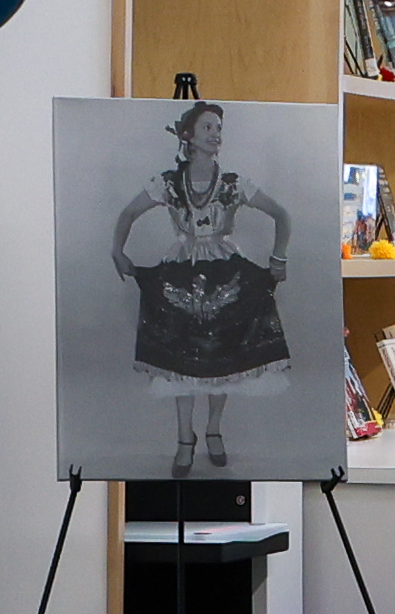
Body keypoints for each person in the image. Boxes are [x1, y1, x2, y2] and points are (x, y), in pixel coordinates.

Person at [113, 99, 294, 475]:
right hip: (181, 269)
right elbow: (129, 213)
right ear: (189, 136)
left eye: (218, 129)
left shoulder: (232, 183)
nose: (216, 135)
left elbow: (281, 214)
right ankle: (184, 437)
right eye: (208, 128)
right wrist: (117, 250)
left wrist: (278, 260)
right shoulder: (168, 182)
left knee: (223, 350)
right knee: (181, 352)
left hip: (226, 268)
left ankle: (213, 429)